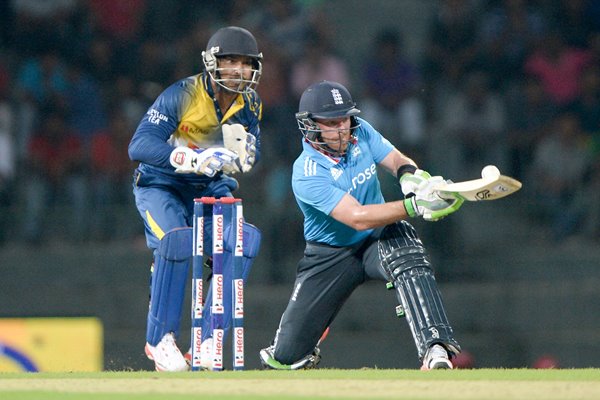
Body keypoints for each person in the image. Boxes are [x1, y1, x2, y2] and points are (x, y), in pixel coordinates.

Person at [259, 81, 464, 370]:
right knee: (287, 356)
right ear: (310, 126)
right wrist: (414, 205)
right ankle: (307, 335)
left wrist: (411, 179)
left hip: (378, 236)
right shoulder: (307, 172)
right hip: (330, 254)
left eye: (344, 119)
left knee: (409, 256)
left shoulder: (361, 131)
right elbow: (356, 216)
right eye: (331, 122)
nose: (341, 128)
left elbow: (396, 159)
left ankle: (436, 349)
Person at [128, 26, 263, 372]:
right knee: (177, 241)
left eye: (245, 63)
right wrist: (188, 157)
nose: (237, 69)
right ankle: (160, 341)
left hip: (208, 186)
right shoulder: (183, 94)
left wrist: (248, 153)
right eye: (229, 60)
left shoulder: (251, 103)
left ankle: (207, 339)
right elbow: (139, 146)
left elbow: (249, 148)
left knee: (245, 240)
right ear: (211, 62)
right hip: (162, 184)